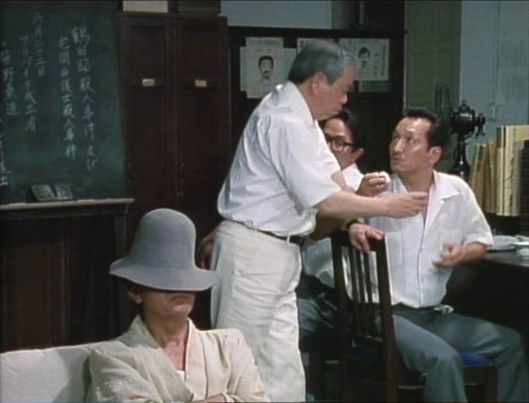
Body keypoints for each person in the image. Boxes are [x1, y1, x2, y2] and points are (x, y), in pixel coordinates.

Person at [208, 39, 429, 402]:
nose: (345, 99)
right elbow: (323, 200)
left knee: (283, 371)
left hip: (281, 252)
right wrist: (388, 206)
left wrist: (364, 198)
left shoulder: (305, 120)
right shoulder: (282, 120)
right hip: (253, 250)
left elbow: (334, 183)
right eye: (343, 89)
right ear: (318, 82)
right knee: (235, 361)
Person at [349, 108, 529, 402]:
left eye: (409, 140)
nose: (397, 148)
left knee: (511, 343)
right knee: (443, 360)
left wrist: (462, 254)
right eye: (395, 138)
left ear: (434, 154)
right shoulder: (376, 190)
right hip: (386, 315)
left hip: (434, 314)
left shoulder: (455, 190)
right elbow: (341, 223)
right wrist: (358, 208)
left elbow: (481, 240)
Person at [86, 209, 268, 403]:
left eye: (185, 280)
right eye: (163, 281)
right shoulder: (114, 357)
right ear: (136, 292)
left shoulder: (229, 346)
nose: (179, 288)